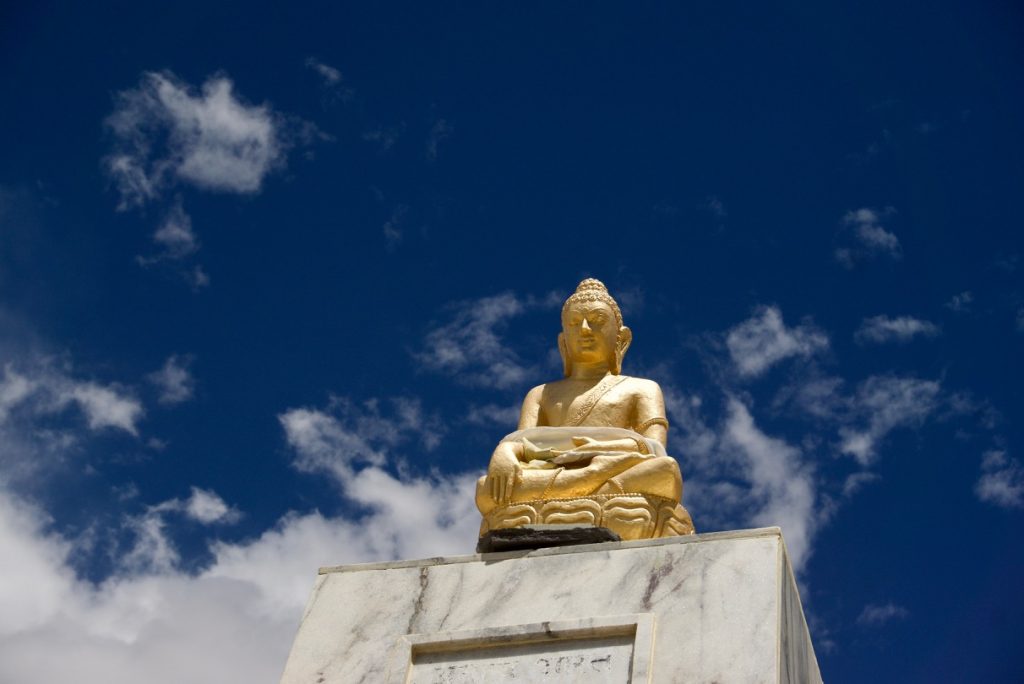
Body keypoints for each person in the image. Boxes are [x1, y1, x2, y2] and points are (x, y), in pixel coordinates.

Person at [476, 278, 685, 520]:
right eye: (574, 323)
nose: (585, 329)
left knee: (665, 471)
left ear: (621, 337)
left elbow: (654, 449)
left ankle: (568, 497)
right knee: (487, 488)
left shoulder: (642, 388)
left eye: (598, 320)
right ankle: (588, 484)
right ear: (563, 340)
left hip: (615, 466)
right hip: (559, 471)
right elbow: (525, 447)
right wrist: (505, 452)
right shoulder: (541, 394)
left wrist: (599, 449)